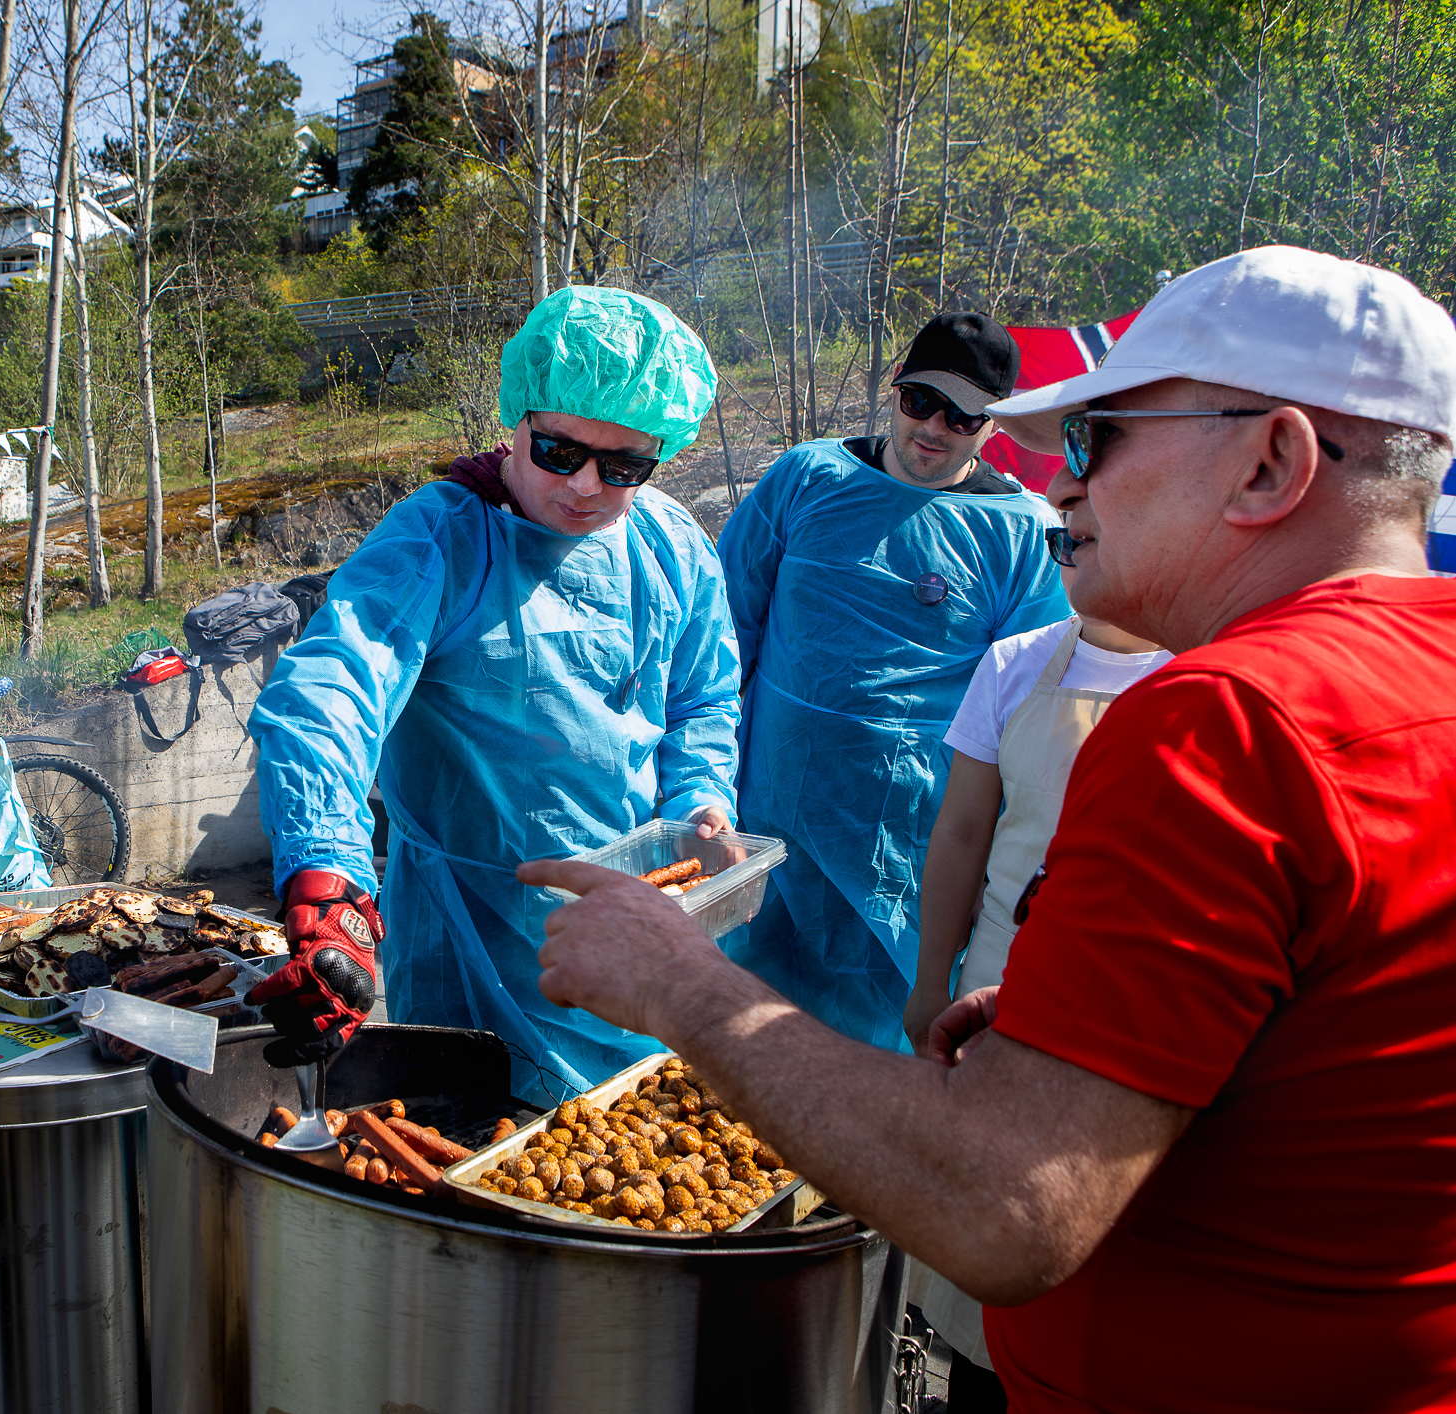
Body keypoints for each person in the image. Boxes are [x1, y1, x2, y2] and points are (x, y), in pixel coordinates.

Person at [524, 245, 1456, 1411]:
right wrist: (1107, 1035)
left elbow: (1007, 1209)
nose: (1062, 490)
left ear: (1270, 460)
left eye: (1097, 441)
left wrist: (678, 981)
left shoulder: (1222, 728)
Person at [245, 286, 742, 1101]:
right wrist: (329, 873)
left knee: (625, 1162)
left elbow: (703, 697)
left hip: (630, 917)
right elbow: (331, 694)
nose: (585, 484)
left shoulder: (671, 543)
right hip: (473, 927)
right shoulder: (442, 537)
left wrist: (700, 800)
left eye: (622, 467)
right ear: (518, 417)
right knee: (469, 1143)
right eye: (559, 452)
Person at [716, 312, 1067, 1051]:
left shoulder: (1021, 536)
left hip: (904, 849)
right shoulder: (806, 479)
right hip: (769, 820)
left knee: (876, 1056)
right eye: (919, 401)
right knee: (739, 1044)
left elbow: (1028, 717)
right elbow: (723, 641)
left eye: (962, 414)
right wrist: (702, 785)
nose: (934, 427)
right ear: (894, 390)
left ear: (993, 426)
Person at [899, 555, 1170, 1403]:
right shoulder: (1015, 664)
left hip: (1132, 1014)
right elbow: (962, 833)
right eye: (1064, 538)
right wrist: (927, 980)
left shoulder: (1200, 671)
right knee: (985, 1241)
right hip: (993, 987)